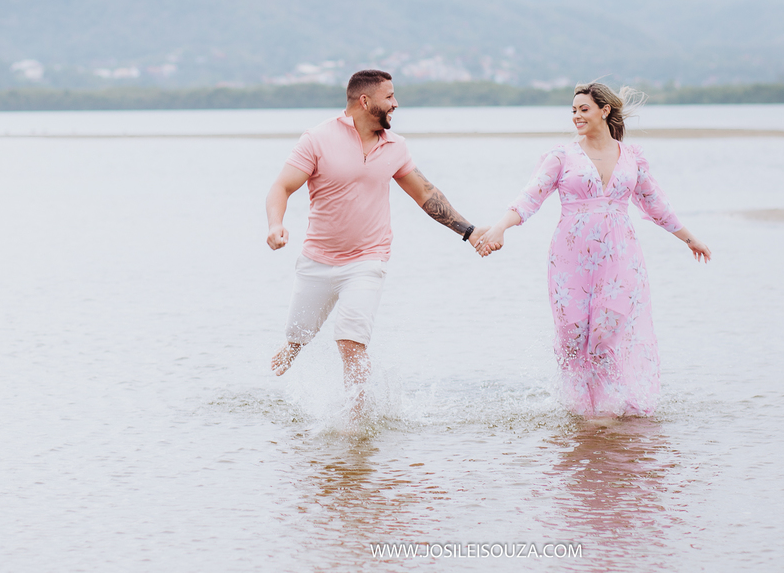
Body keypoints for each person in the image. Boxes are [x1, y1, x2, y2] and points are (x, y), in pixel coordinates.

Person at [474, 83, 711, 417]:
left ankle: (608, 412)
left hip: (620, 257)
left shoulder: (631, 158)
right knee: (573, 336)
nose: (576, 116)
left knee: (605, 334)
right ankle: (582, 411)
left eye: (583, 109)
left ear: (605, 110)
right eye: (573, 110)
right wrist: (499, 228)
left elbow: (656, 205)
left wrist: (690, 239)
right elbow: (530, 197)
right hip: (570, 258)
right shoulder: (561, 157)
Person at [265, 69, 486, 406]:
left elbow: (426, 195)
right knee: (299, 332)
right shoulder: (317, 139)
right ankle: (294, 346)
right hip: (317, 259)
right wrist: (275, 225)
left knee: (351, 341)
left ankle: (356, 421)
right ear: (365, 101)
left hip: (368, 260)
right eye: (390, 97)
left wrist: (469, 232)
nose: (396, 104)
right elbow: (281, 187)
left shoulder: (396, 147)